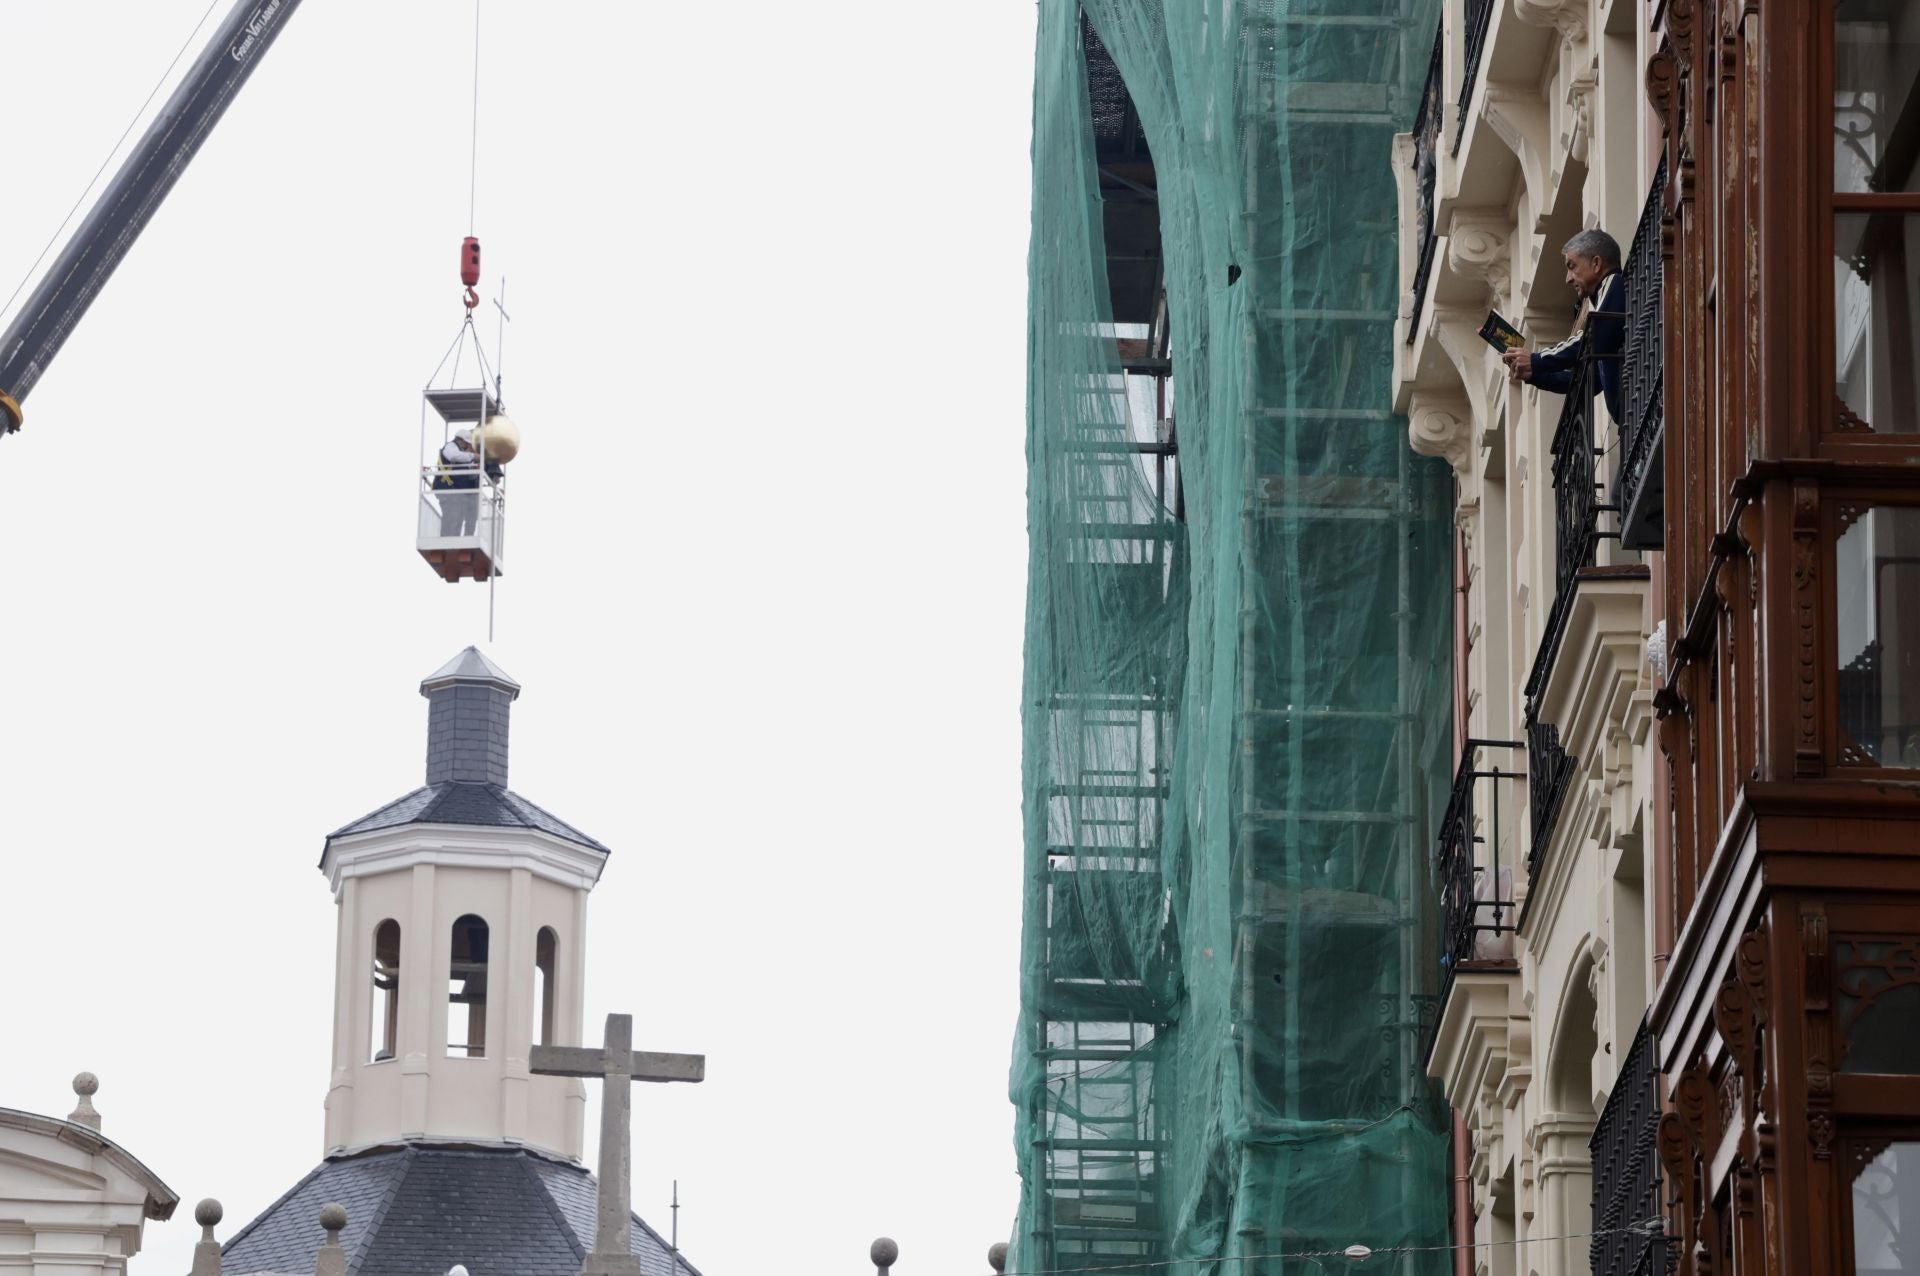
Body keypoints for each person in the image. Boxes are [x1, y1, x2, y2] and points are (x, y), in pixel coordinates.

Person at [1502, 228, 1624, 423]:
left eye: (1572, 266)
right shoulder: (1603, 303)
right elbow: (1584, 382)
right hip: (1635, 421)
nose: (1568, 278)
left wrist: (1536, 359)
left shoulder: (1615, 283)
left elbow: (1590, 339)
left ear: (1596, 264)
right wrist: (1536, 375)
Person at [434, 430, 487, 536]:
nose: (467, 446)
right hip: (446, 490)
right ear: (461, 440)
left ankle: (453, 539)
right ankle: (447, 540)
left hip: (455, 493)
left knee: (457, 517)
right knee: (451, 517)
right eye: (467, 443)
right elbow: (453, 456)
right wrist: (473, 456)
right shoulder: (450, 447)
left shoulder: (461, 452)